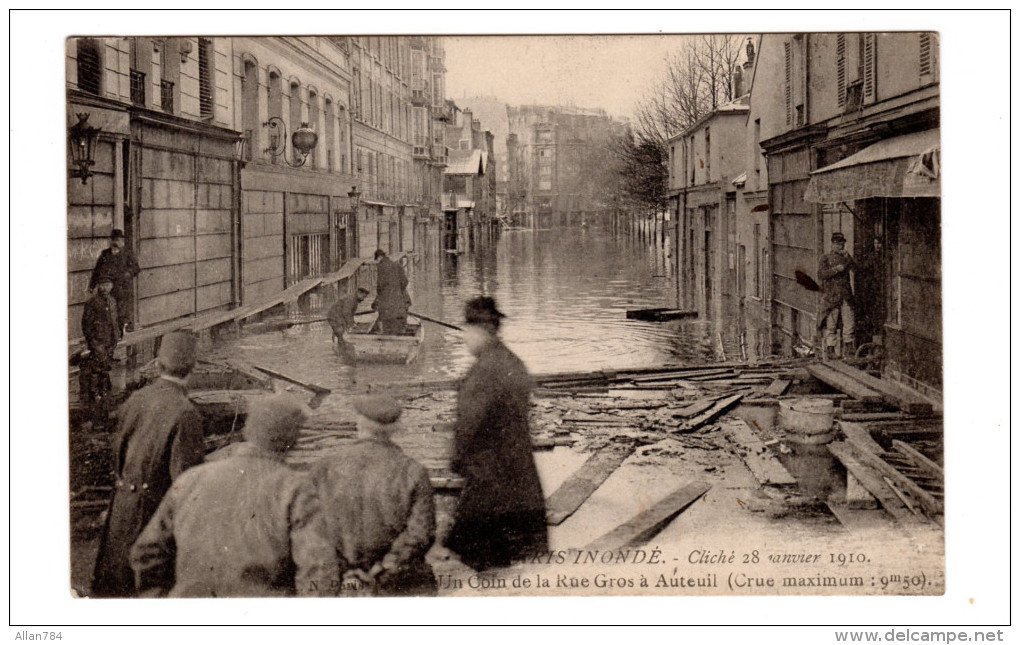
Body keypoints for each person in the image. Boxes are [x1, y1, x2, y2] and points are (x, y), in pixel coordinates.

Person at [129, 395, 341, 598]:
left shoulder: (190, 480)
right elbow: (319, 569)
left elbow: (145, 552)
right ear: (294, 439)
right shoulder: (294, 489)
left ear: (248, 430)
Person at [91, 331, 205, 598]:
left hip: (121, 511)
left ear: (157, 364)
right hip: (154, 519)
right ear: (194, 368)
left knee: (114, 596)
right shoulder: (186, 413)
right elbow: (184, 484)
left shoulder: (136, 399)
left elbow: (117, 453)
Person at [445, 296, 548, 571]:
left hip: (490, 484)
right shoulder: (512, 362)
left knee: (484, 560)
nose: (465, 339)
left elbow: (467, 428)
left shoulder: (484, 372)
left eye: (466, 332)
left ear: (479, 331)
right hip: (520, 478)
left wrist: (457, 462)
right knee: (519, 558)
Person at [308, 395, 437, 596]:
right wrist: (384, 566)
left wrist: (344, 569)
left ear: (359, 423)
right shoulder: (413, 471)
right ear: (396, 428)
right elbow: (421, 533)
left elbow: (310, 528)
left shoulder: (323, 467)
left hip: (339, 579)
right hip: (394, 582)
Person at [79, 273, 121, 429]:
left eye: (108, 285)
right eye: (102, 285)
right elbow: (86, 324)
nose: (105, 288)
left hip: (110, 342)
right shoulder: (92, 303)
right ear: (98, 286)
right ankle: (95, 405)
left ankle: (104, 402)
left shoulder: (112, 301)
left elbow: (115, 320)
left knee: (105, 371)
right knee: (96, 373)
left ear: (112, 286)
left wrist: (116, 337)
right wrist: (93, 342)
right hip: (98, 343)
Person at [89, 229, 140, 333]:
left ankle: (119, 332)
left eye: (118, 240)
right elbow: (97, 270)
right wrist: (92, 285)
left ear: (122, 241)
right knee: (105, 311)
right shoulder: (105, 254)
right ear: (110, 241)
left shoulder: (127, 254)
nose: (116, 243)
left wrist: (128, 273)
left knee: (120, 312)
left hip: (121, 288)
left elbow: (136, 268)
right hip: (106, 289)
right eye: (114, 240)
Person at [816, 231, 856, 359]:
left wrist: (849, 257)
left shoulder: (846, 258)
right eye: (838, 244)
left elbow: (856, 269)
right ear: (832, 244)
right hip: (832, 297)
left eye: (842, 244)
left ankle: (849, 350)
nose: (840, 246)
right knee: (831, 325)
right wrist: (835, 270)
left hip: (845, 296)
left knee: (849, 323)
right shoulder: (825, 258)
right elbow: (821, 275)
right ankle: (831, 350)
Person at [372, 249, 411, 335]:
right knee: (399, 318)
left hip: (386, 300)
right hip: (399, 299)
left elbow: (380, 285)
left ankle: (386, 333)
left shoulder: (381, 267)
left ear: (379, 257)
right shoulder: (397, 265)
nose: (377, 262)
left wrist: (379, 297)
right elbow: (405, 281)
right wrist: (398, 290)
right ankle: (401, 331)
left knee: (386, 319)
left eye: (377, 260)